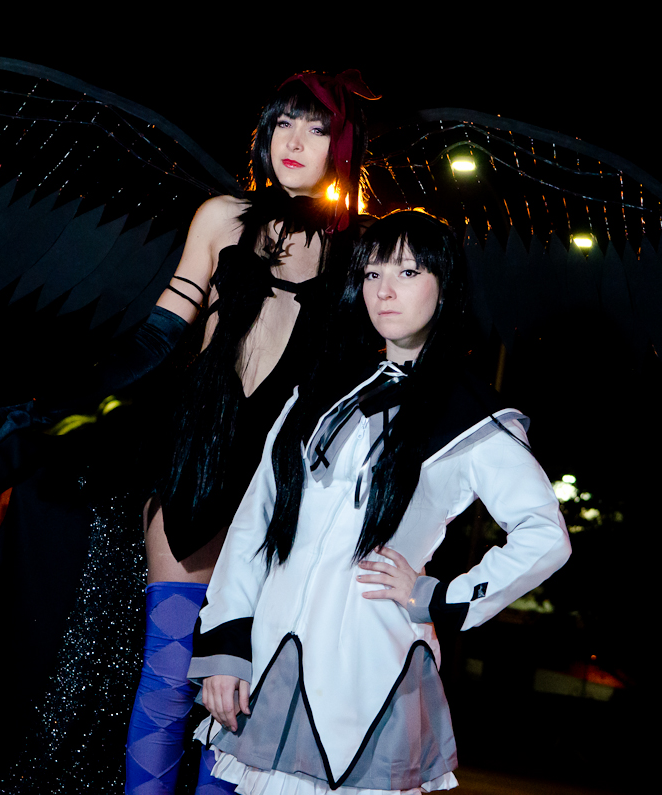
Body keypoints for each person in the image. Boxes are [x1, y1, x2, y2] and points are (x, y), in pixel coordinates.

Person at [188, 211, 572, 794]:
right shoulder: (322, 387)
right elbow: (257, 519)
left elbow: (545, 535)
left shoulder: (472, 417)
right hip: (272, 657)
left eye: (408, 272)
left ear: (445, 286)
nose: (384, 290)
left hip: (371, 668)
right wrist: (226, 643)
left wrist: (438, 597)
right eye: (372, 274)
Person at [124, 71, 377, 795]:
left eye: (317, 129)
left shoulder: (360, 251)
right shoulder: (222, 217)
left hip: (282, 480)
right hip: (200, 453)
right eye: (283, 123)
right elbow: (160, 332)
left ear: (341, 147)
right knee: (169, 676)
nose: (294, 141)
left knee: (237, 695)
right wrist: (66, 401)